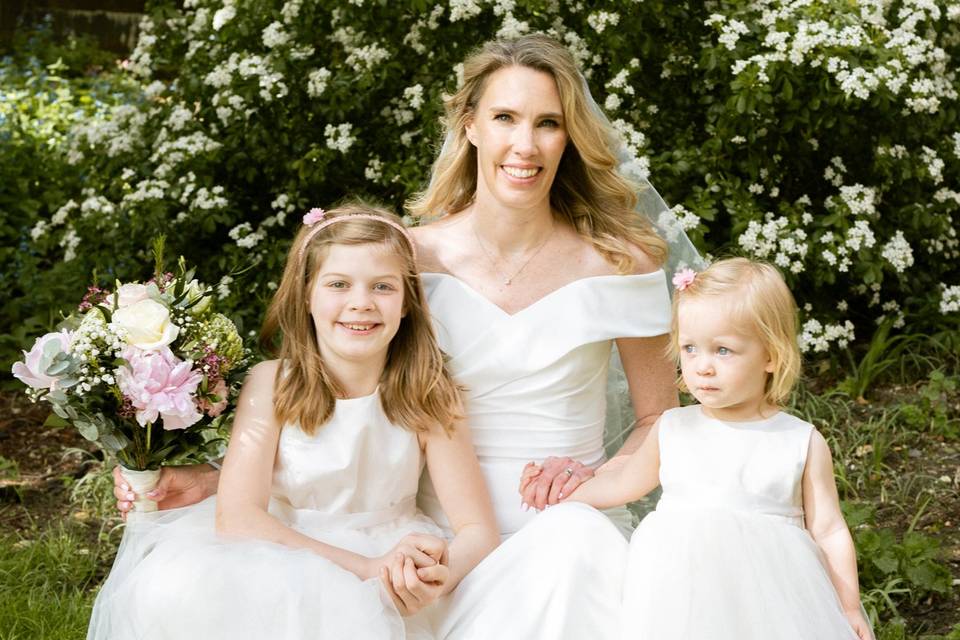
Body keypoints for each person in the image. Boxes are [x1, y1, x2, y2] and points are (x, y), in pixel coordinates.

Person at [114, 34, 683, 639]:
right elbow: (331, 398)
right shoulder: (404, 260)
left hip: (563, 521)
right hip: (424, 533)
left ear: (571, 136)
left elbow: (658, 421)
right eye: (505, 118)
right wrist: (218, 479)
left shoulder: (621, 265)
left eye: (548, 123)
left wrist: (597, 481)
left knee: (574, 552)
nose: (525, 144)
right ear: (469, 126)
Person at [92, 203, 498, 640]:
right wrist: (365, 570)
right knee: (174, 590)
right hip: (282, 548)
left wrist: (430, 580)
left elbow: (478, 530)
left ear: (406, 304)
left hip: (391, 546)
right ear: (307, 295)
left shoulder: (430, 391)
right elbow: (238, 517)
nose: (360, 303)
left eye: (382, 286)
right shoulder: (271, 384)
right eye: (338, 284)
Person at [541, 258, 873, 640]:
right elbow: (620, 486)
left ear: (771, 355)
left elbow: (829, 530)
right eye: (690, 348)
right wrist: (561, 493)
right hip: (679, 597)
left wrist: (848, 606)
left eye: (723, 351)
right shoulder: (674, 427)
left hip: (771, 602)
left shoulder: (798, 440)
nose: (703, 367)